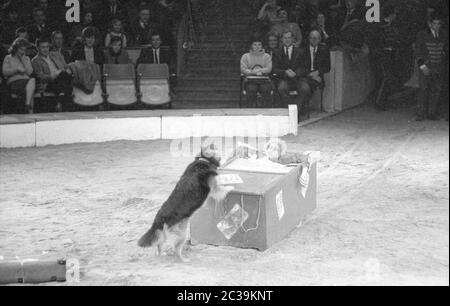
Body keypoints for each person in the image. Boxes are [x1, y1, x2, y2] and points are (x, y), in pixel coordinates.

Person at [415, 13, 449, 121]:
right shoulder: (422, 34)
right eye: (434, 23)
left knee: (436, 90)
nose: (437, 26)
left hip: (439, 66)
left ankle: (431, 113)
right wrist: (422, 66)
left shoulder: (444, 34)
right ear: (430, 24)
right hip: (426, 67)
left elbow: (445, 49)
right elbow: (417, 52)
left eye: (439, 24)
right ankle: (420, 114)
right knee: (423, 90)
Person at [32, 37, 73, 112]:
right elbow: (41, 76)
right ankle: (61, 102)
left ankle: (60, 101)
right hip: (49, 83)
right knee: (64, 80)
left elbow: (66, 66)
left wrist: (67, 70)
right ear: (37, 48)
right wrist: (53, 75)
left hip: (62, 78)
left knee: (66, 76)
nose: (45, 49)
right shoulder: (35, 61)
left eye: (47, 47)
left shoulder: (55, 55)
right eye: (43, 47)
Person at [272, 31, 307, 110]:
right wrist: (285, 72)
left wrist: (295, 73)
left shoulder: (300, 52)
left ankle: (296, 111)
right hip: (283, 79)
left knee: (305, 88)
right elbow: (274, 69)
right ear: (281, 40)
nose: (287, 40)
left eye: (289, 38)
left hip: (297, 79)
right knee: (282, 88)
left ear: (293, 39)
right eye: (285, 38)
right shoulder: (276, 52)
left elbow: (304, 68)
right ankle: (288, 111)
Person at [2, 38, 36, 114]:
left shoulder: (26, 58)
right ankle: (30, 111)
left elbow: (30, 72)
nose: (22, 52)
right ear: (15, 48)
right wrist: (16, 70)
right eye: (20, 49)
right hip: (14, 82)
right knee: (31, 89)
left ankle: (27, 106)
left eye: (24, 50)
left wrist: (23, 61)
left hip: (27, 82)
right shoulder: (8, 57)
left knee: (31, 83)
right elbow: (4, 72)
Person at [300, 30, 331, 114]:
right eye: (312, 37)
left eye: (316, 38)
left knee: (312, 84)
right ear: (309, 39)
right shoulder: (303, 50)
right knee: (306, 84)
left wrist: (317, 72)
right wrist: (310, 74)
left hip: (318, 75)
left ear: (320, 39)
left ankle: (302, 106)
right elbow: (300, 66)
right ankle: (302, 106)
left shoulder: (324, 49)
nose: (314, 40)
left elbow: (327, 67)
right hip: (305, 75)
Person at [240, 38, 273, 108]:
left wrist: (260, 71)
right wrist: (254, 72)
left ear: (262, 46)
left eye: (259, 45)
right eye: (255, 45)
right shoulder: (245, 56)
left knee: (266, 89)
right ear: (251, 46)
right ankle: (251, 111)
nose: (257, 47)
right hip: (250, 81)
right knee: (251, 89)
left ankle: (266, 112)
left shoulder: (267, 56)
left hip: (264, 81)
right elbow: (243, 69)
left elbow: (269, 68)